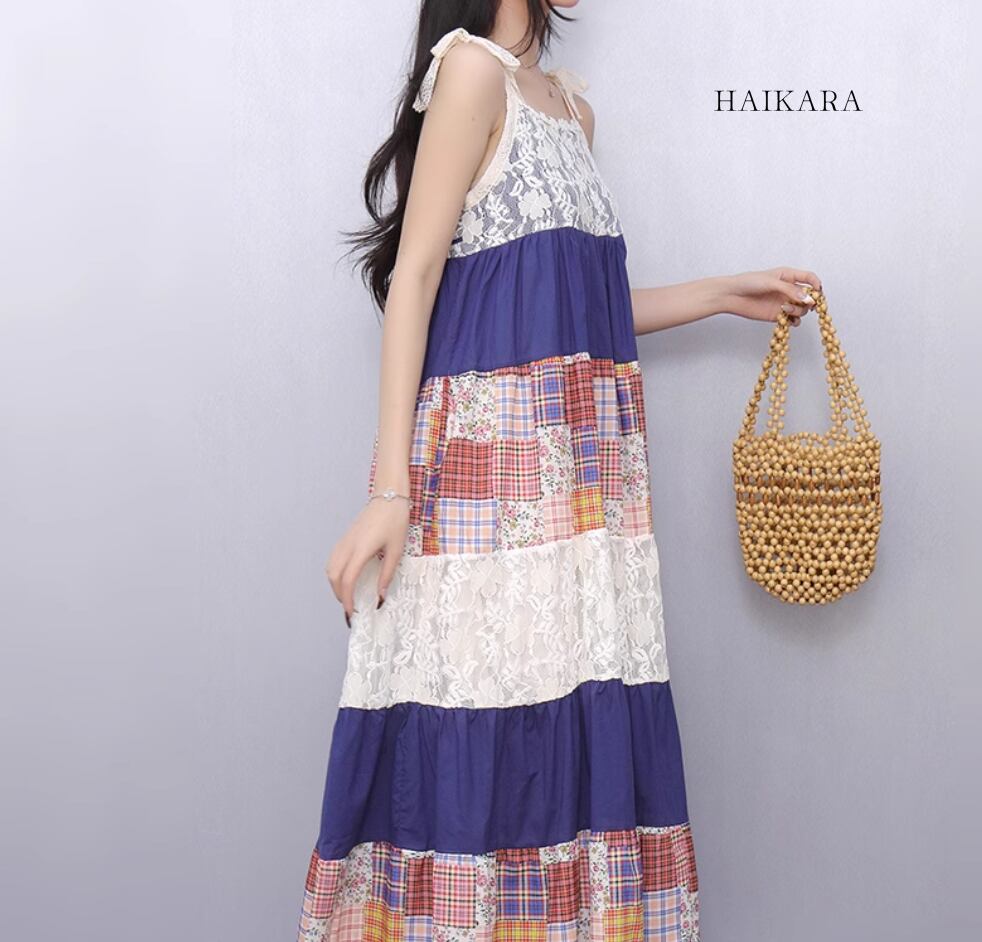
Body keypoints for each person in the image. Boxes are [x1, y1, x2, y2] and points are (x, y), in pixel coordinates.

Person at [298, 3, 821, 940]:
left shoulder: (574, 112)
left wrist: (718, 293)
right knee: (476, 723)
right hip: (482, 480)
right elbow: (417, 277)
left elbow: (574, 300)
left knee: (565, 728)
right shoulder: (471, 72)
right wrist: (389, 491)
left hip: (584, 489)